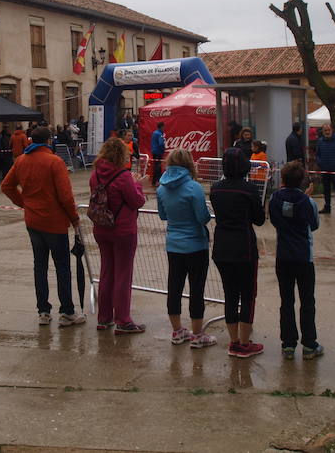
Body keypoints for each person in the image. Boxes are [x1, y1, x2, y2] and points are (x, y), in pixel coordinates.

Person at [1, 127, 85, 327]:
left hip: (33, 221)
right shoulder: (55, 162)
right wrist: (74, 219)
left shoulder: (21, 160)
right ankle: (66, 312)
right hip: (54, 222)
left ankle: (43, 311)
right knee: (62, 266)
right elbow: (65, 196)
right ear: (48, 141)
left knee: (40, 266)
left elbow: (6, 185)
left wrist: (24, 203)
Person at [210, 147, 266, 358]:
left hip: (222, 247)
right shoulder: (249, 189)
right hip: (244, 247)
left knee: (230, 295)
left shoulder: (215, 189)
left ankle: (234, 341)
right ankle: (244, 342)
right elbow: (259, 219)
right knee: (248, 295)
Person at [157, 148, 215, 348]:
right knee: (196, 289)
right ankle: (197, 334)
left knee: (174, 286)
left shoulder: (162, 188)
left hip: (173, 243)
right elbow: (202, 217)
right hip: (196, 244)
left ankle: (177, 330)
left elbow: (163, 215)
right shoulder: (193, 187)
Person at [89, 136, 147, 335]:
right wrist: (138, 184)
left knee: (107, 272)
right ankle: (123, 319)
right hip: (122, 230)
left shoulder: (95, 174)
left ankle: (104, 318)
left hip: (101, 227)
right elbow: (136, 201)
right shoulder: (123, 177)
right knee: (123, 274)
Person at [269, 161, 323, 360]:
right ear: (302, 181)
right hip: (303, 257)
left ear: (282, 179)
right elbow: (314, 225)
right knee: (307, 301)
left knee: (286, 301)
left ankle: (288, 344)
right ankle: (309, 344)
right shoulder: (308, 202)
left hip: (283, 256)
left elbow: (274, 219)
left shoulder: (274, 198)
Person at [315, 123, 335, 216]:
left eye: (328, 130)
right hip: (324, 170)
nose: (327, 132)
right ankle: (327, 207)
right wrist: (319, 162)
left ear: (331, 130)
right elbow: (317, 154)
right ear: (323, 131)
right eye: (325, 130)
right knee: (326, 189)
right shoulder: (320, 141)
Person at [150, 121, 166, 187]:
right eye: (164, 127)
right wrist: (163, 150)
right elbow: (161, 144)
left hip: (154, 151)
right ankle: (158, 181)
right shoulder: (159, 134)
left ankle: (154, 181)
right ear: (162, 127)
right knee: (158, 167)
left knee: (156, 166)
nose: (164, 128)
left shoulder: (154, 133)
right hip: (158, 152)